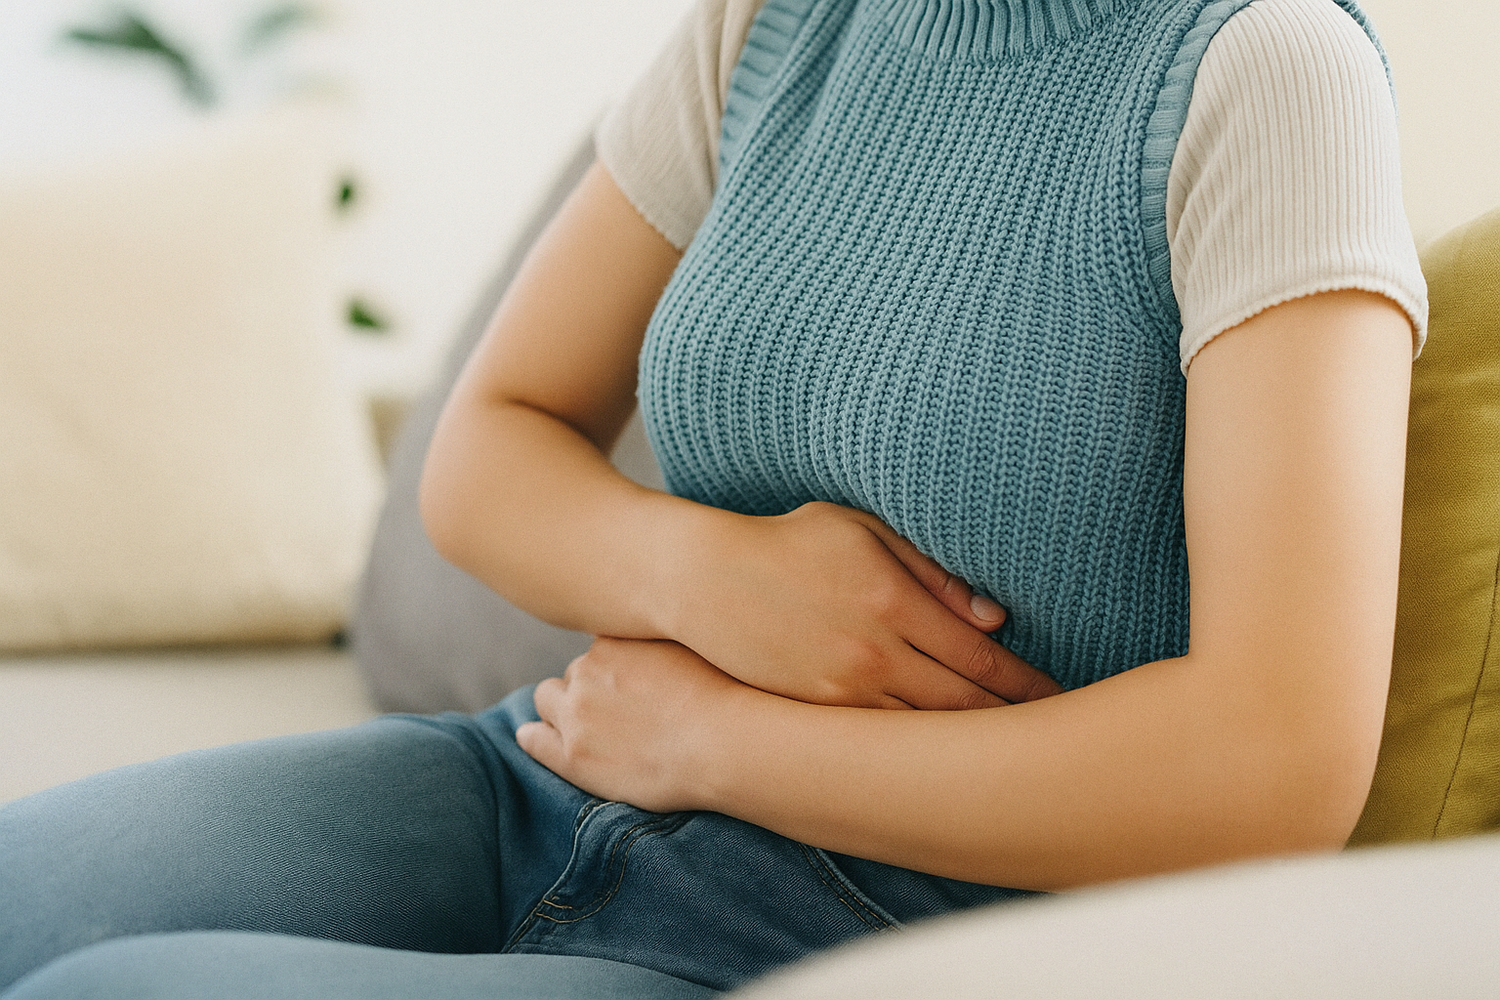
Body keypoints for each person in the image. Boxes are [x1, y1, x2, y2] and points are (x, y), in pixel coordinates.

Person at [0, 0, 1428, 996]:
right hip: (557, 770)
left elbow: (1279, 759)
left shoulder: (1266, 71)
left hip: (851, 924)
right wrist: (705, 577)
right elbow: (489, 449)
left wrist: (724, 745)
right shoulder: (772, 21)